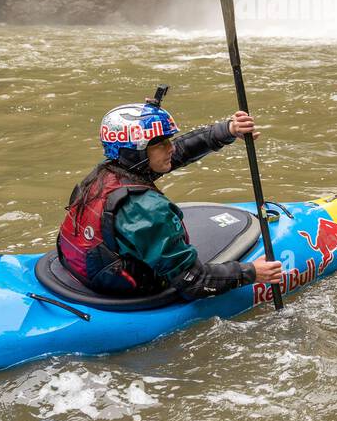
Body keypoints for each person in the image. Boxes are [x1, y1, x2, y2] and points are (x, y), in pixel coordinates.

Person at [57, 86, 282, 299]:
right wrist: (251, 272)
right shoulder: (147, 208)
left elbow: (181, 151)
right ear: (137, 154)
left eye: (168, 141)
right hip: (123, 285)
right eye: (161, 144)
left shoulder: (106, 172)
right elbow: (192, 281)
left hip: (83, 267)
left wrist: (227, 130)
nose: (171, 147)